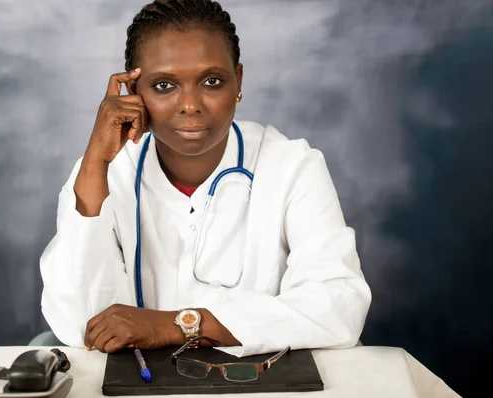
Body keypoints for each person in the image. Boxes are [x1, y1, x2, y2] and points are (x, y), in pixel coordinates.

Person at [39, 0, 371, 357]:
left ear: (238, 81)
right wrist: (94, 162)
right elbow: (79, 325)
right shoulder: (105, 172)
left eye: (211, 81)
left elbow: (339, 304)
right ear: (134, 94)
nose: (191, 105)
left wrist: (176, 325)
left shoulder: (292, 166)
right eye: (164, 85)